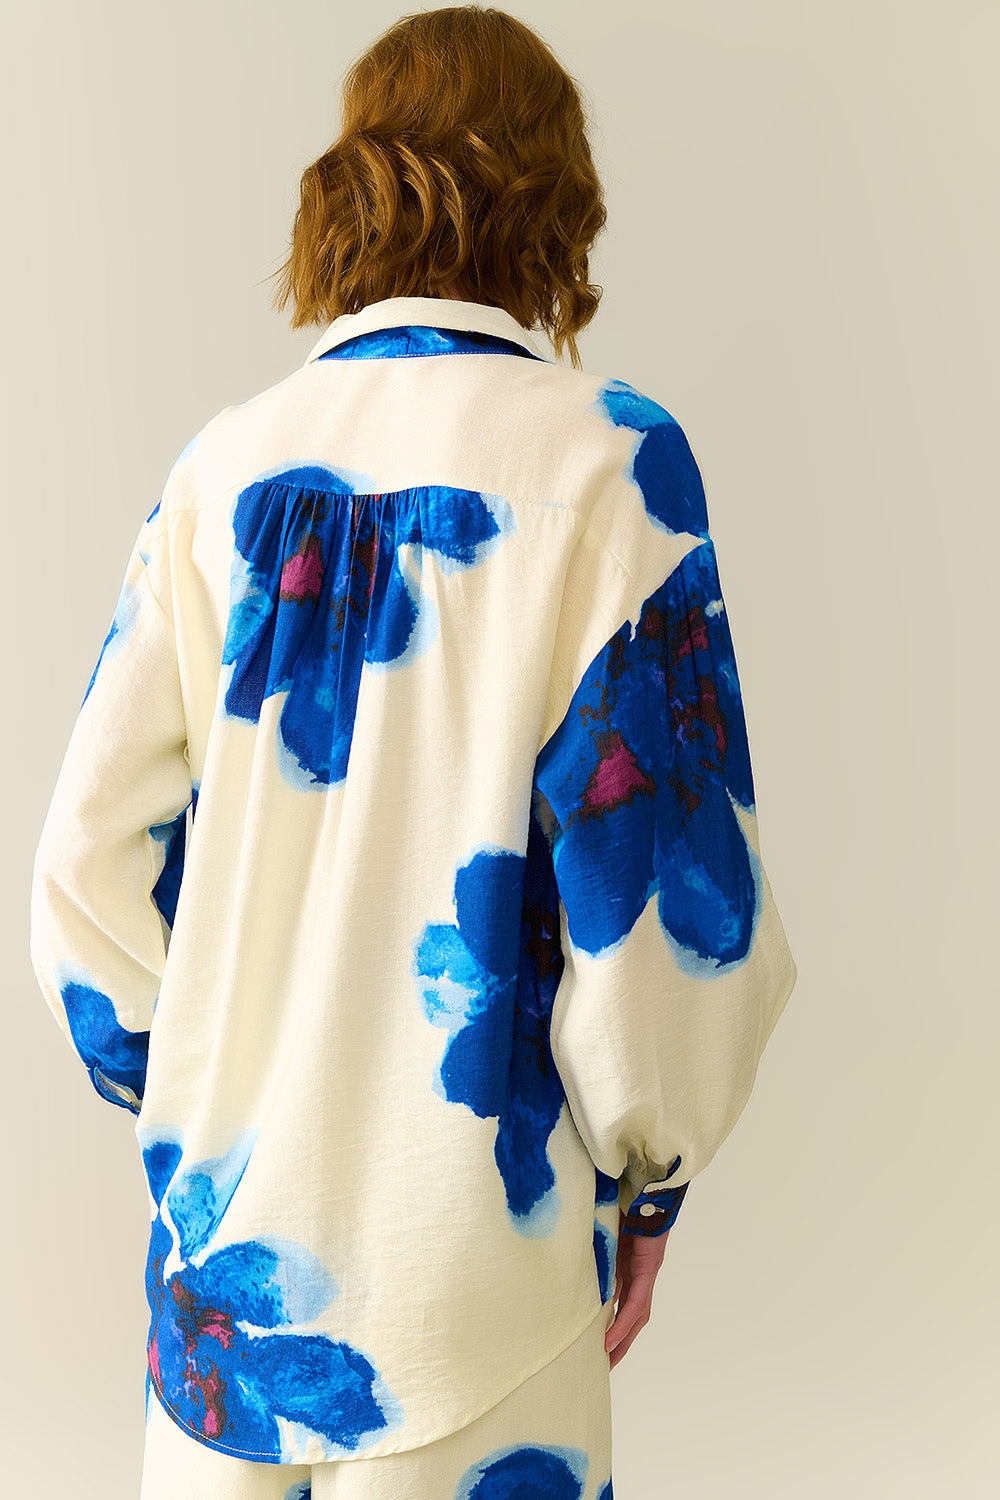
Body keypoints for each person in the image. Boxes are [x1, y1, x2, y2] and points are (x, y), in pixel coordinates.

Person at [28, 6, 798, 1498]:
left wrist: (196, 1110)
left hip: (219, 1302)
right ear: (556, 196)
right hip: (479, 1281)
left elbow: (83, 862)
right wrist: (649, 1178)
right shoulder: (611, 467)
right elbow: (661, 903)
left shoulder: (223, 466)